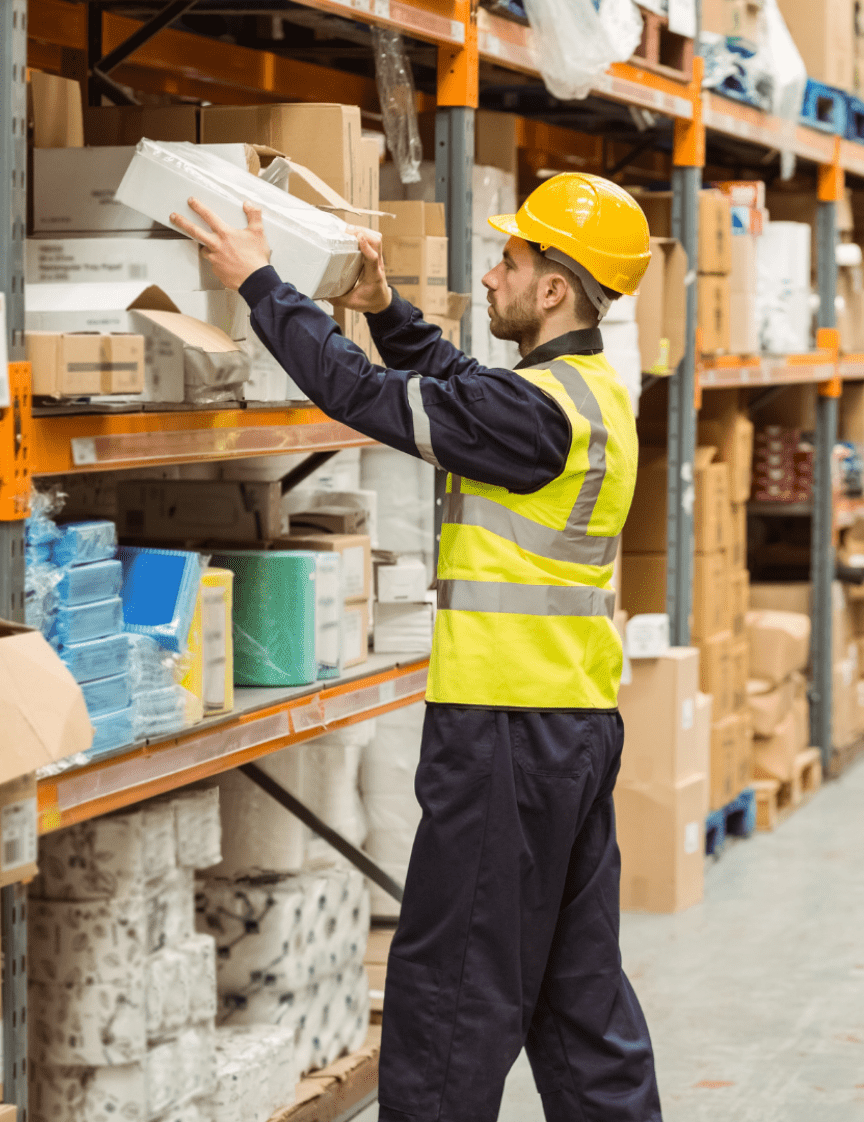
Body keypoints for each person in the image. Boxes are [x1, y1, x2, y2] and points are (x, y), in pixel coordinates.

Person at [172, 173, 663, 1121]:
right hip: (571, 730)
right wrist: (386, 307)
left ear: (555, 288)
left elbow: (364, 395)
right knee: (579, 998)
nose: (492, 274)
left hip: (507, 740)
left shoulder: (538, 416)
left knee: (451, 1001)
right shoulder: (581, 393)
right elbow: (459, 383)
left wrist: (259, 281)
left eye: (510, 261)